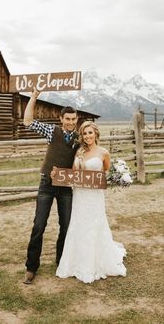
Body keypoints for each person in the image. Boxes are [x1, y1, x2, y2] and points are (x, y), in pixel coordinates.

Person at [54, 121, 127, 283]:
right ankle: (77, 262)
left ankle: (97, 261)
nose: (87, 136)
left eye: (90, 133)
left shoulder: (103, 152)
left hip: (95, 195)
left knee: (95, 224)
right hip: (80, 194)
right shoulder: (79, 151)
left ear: (96, 134)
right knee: (79, 224)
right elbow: (74, 174)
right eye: (85, 133)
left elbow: (106, 172)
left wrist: (116, 177)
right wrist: (63, 172)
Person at [23, 88, 79, 284]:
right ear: (61, 119)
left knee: (66, 226)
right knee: (39, 225)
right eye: (68, 119)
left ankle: (61, 262)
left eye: (74, 119)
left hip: (65, 187)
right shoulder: (51, 131)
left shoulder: (79, 139)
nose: (71, 122)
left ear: (76, 120)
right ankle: (31, 267)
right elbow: (28, 121)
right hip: (47, 184)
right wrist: (34, 97)